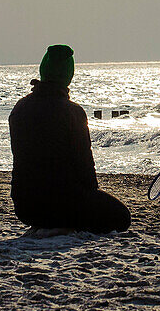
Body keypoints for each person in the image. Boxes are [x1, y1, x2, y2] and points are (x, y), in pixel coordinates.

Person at [9, 45, 130, 234]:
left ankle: (48, 225)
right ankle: (61, 228)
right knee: (121, 217)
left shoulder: (20, 108)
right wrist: (91, 195)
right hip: (63, 203)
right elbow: (85, 167)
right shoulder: (73, 112)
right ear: (68, 75)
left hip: (25, 206)